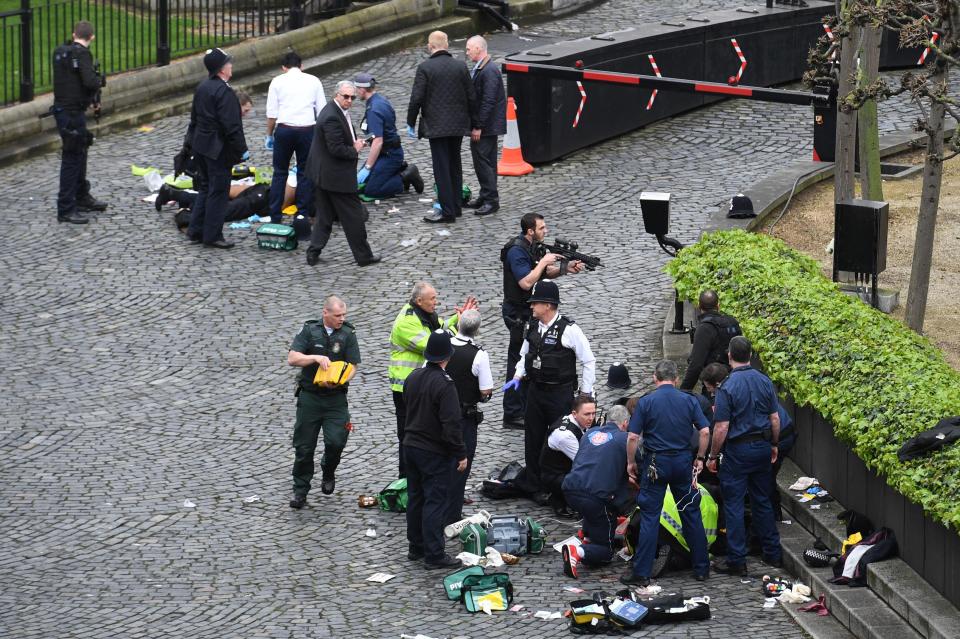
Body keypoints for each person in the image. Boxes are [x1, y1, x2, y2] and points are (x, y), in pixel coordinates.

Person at [622, 360, 711, 587]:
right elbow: (704, 431)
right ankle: (701, 568)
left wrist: (631, 462)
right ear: (676, 379)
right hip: (682, 462)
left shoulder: (646, 402)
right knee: (690, 512)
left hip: (655, 463)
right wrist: (700, 458)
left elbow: (632, 437)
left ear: (655, 377)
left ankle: (642, 572)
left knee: (651, 516)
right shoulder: (689, 400)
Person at [505, 280, 595, 502]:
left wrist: (585, 394)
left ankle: (558, 486)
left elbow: (588, 360)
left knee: (558, 439)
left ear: (548, 305)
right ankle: (534, 485)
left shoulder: (569, 330)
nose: (531, 307)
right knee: (532, 438)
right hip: (535, 391)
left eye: (535, 303)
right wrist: (517, 376)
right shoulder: (532, 326)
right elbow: (524, 354)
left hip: (559, 393)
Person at [706, 336, 782, 575]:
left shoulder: (727, 387)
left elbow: (721, 427)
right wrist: (774, 444)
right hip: (761, 446)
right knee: (762, 500)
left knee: (734, 505)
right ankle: (772, 553)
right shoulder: (764, 381)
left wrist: (712, 455)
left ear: (729, 356)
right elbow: (775, 419)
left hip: (738, 451)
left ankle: (737, 560)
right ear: (751, 354)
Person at [501, 213, 584, 429]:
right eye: (541, 228)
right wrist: (546, 261)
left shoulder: (533, 247)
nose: (545, 231)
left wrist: (565, 269)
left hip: (530, 312)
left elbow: (544, 274)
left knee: (530, 357)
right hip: (518, 313)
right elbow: (526, 282)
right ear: (530, 231)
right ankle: (512, 412)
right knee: (517, 360)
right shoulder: (516, 251)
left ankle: (527, 406)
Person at [389, 282, 477, 477]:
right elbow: (433, 344)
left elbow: (440, 328)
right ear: (419, 301)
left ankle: (420, 476)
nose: (436, 303)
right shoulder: (406, 322)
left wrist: (458, 317)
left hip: (420, 384)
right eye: (433, 299)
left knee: (425, 432)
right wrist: (460, 329)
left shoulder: (423, 314)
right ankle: (406, 481)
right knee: (408, 436)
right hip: (406, 388)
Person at [286, 296, 360, 508]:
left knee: (337, 440)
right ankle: (300, 489)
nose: (341, 319)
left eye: (344, 315)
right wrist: (315, 358)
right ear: (325, 313)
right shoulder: (310, 331)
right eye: (337, 315)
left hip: (335, 398)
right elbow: (293, 358)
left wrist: (339, 379)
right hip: (310, 397)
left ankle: (328, 469)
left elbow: (353, 365)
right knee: (304, 447)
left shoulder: (348, 333)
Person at [403, 330, 469, 569]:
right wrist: (460, 454)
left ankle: (416, 546)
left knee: (415, 497)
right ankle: (434, 554)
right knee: (435, 500)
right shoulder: (445, 384)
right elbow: (451, 424)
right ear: (447, 356)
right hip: (432, 451)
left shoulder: (413, 376)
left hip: (410, 445)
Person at [304, 80, 380, 267]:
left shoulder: (334, 111)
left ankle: (313, 251)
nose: (349, 100)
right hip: (335, 177)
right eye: (345, 96)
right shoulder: (331, 116)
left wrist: (355, 143)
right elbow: (336, 149)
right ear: (336, 95)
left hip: (325, 175)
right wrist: (355, 148)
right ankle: (363, 256)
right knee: (353, 217)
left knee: (324, 216)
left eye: (352, 97)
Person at [406, 30, 476, 224]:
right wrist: (475, 124)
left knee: (441, 168)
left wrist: (410, 122)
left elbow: (416, 98)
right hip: (458, 126)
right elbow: (471, 97)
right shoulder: (460, 66)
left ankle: (447, 212)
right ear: (447, 44)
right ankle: (455, 206)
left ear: (430, 46)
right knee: (455, 164)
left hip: (436, 126)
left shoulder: (425, 68)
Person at [185, 47, 248, 248]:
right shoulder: (225, 92)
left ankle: (195, 230)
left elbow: (194, 119)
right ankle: (212, 235)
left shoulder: (202, 87)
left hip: (201, 145)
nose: (231, 66)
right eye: (228, 63)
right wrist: (241, 150)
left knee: (205, 187)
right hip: (217, 149)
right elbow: (232, 126)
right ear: (222, 69)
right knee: (219, 191)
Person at [560, 404, 632, 579]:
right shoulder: (625, 439)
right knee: (606, 552)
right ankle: (578, 551)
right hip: (596, 496)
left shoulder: (590, 434)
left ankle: (587, 537)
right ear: (625, 423)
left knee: (593, 515)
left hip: (571, 489)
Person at [51, 20, 107, 224]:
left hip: (65, 111)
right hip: (72, 113)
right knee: (72, 158)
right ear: (91, 37)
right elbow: (89, 81)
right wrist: (99, 81)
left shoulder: (61, 52)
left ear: (74, 34)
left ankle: (81, 196)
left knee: (80, 152)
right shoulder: (82, 54)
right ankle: (66, 208)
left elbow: (74, 82)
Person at [443, 309, 493, 524]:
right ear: (477, 330)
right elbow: (485, 390)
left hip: (439, 415)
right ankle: (452, 515)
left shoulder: (445, 347)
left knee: (440, 463)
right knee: (461, 465)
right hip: (463, 417)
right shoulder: (478, 354)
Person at [264, 51, 325, 222]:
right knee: (304, 173)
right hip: (307, 130)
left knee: (280, 172)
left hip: (285, 130)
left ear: (284, 67)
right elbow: (322, 112)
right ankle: (302, 214)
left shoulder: (277, 82)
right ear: (301, 66)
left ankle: (275, 215)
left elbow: (272, 114)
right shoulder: (313, 81)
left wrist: (269, 135)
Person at [354, 73, 424, 198]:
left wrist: (368, 168)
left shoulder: (373, 109)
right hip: (386, 152)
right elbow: (381, 130)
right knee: (361, 185)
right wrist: (367, 140)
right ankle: (394, 170)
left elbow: (379, 141)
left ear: (362, 89)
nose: (355, 93)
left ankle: (406, 176)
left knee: (372, 190)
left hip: (389, 155)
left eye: (356, 89)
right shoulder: (380, 100)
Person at [464, 35, 506, 216]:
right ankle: (486, 195)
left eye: (468, 49)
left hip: (486, 127)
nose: (466, 52)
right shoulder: (485, 68)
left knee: (483, 163)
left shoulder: (488, 71)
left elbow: (488, 101)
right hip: (489, 125)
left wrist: (478, 125)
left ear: (478, 49)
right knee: (486, 161)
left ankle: (491, 199)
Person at [539, 394, 597, 514]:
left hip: (566, 468)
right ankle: (559, 500)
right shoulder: (565, 436)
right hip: (555, 476)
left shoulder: (574, 420)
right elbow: (586, 461)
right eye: (587, 414)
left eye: (593, 413)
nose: (591, 418)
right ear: (574, 414)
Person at [680, 290, 742, 392]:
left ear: (699, 306)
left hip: (714, 384)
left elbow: (696, 364)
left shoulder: (704, 328)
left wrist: (684, 391)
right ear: (718, 305)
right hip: (735, 381)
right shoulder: (732, 322)